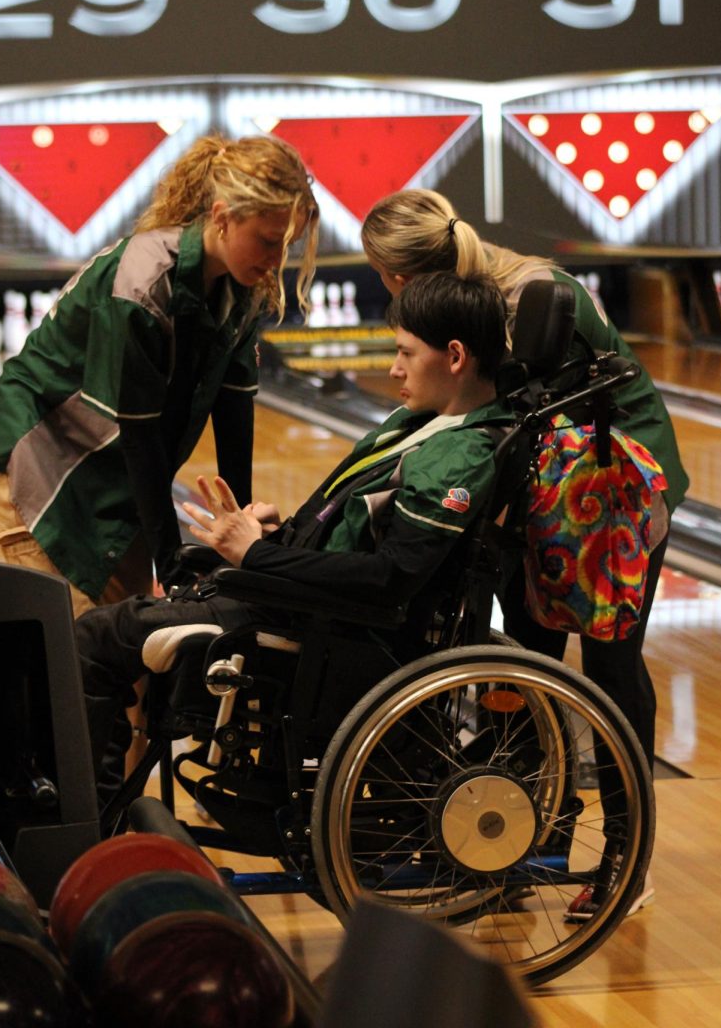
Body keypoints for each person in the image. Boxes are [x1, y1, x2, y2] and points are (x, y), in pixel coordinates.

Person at [361, 187, 690, 919]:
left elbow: (512, 417)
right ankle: (526, 840)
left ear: (402, 278)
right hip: (551, 488)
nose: (383, 289)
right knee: (528, 657)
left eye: (383, 275)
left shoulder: (531, 295)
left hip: (616, 488)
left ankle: (625, 864)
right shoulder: (464, 300)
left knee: (607, 666)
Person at [76, 271, 514, 802]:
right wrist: (282, 535)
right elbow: (364, 532)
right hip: (300, 608)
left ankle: (85, 821)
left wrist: (258, 555)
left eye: (405, 352)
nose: (394, 368)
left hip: (317, 631)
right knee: (106, 632)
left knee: (96, 640)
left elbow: (391, 577)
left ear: (455, 356)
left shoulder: (459, 454)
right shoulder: (425, 423)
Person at [0, 133, 319, 619]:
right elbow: (140, 436)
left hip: (115, 480)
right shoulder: (143, 284)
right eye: (269, 241)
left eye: (287, 245)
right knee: (79, 655)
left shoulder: (245, 289)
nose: (277, 260)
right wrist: (169, 562)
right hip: (42, 465)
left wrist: (242, 531)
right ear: (222, 217)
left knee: (131, 658)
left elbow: (234, 414)